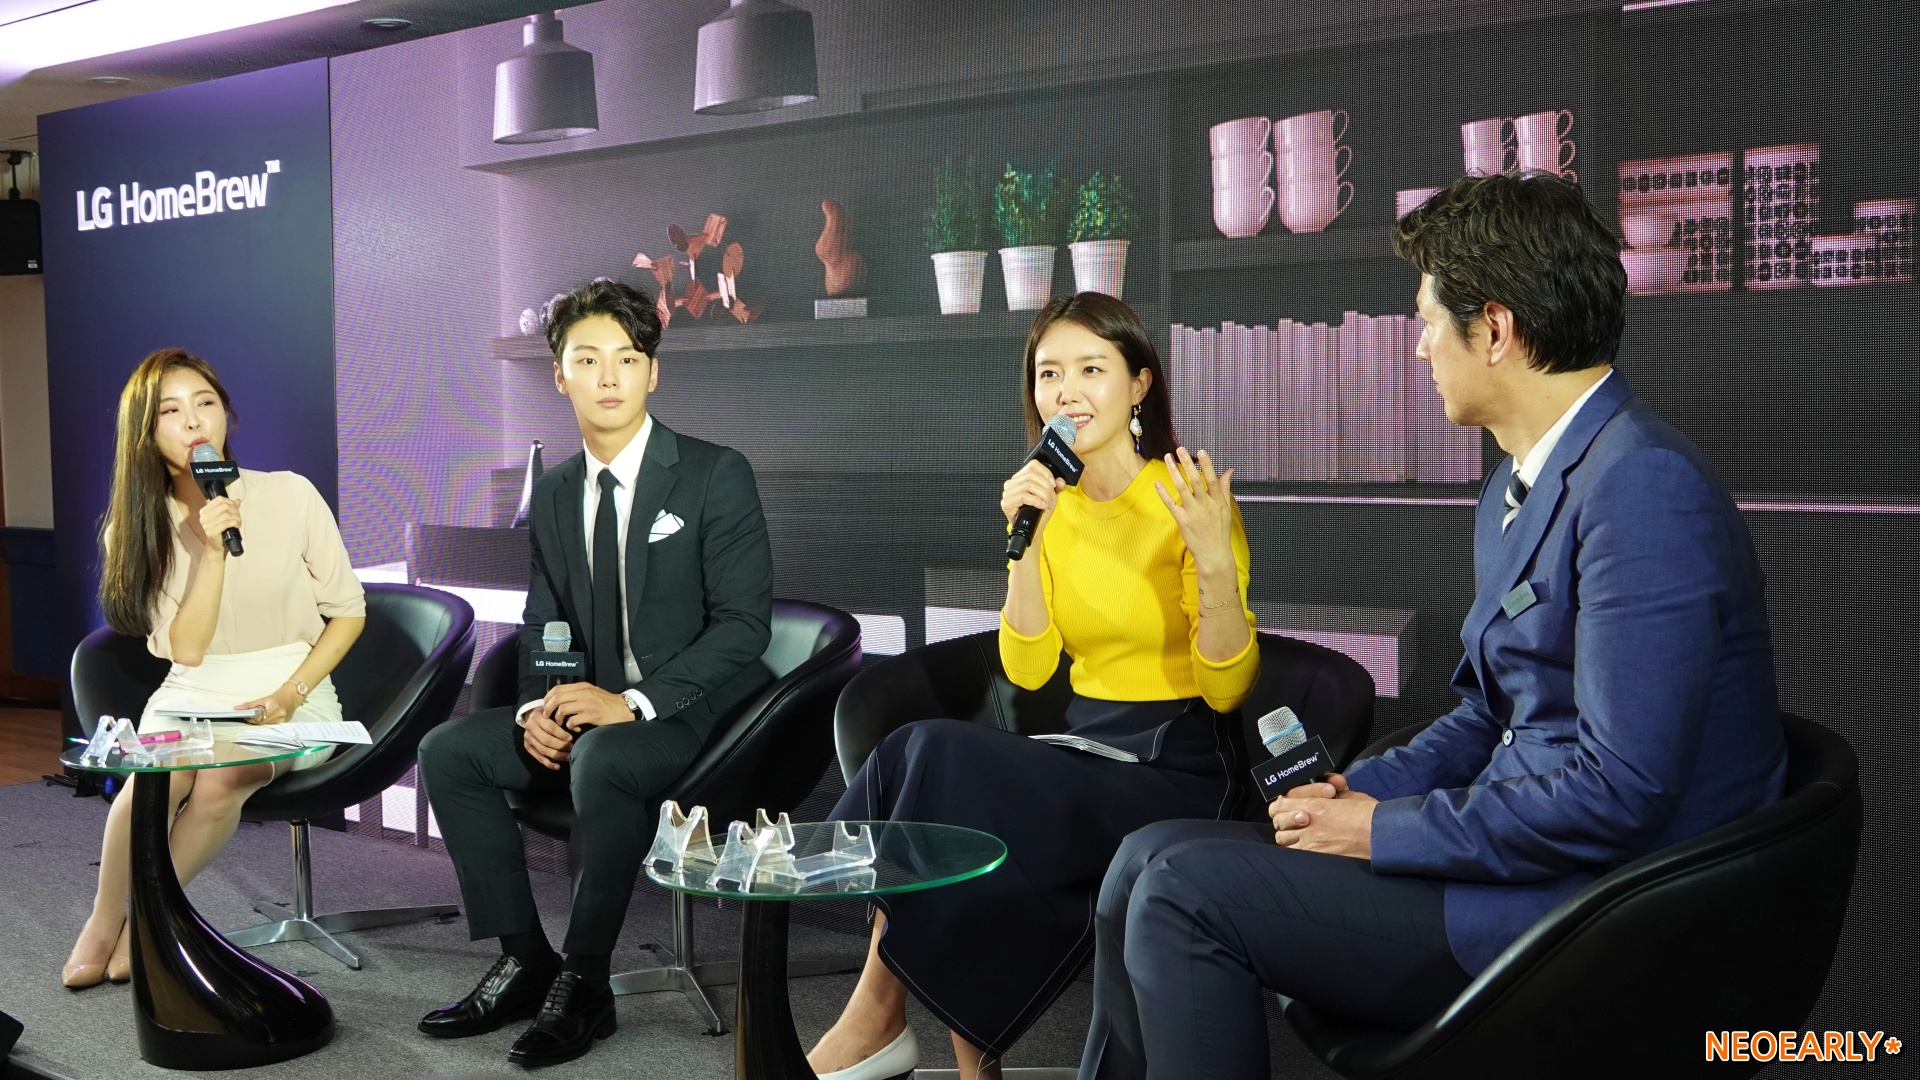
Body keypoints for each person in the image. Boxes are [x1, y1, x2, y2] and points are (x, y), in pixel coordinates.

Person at [1077, 172, 1789, 1080]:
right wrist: (1351, 792)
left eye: (1426, 321)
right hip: (1515, 860)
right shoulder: (1521, 482)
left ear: (1494, 330)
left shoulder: (1642, 488)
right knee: (1142, 858)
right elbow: (1492, 714)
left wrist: (1382, 830)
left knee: (1180, 890)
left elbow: (1621, 792)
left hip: (1592, 913)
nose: (1418, 349)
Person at [807, 292, 1261, 1080]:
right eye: (1049, 373)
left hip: (1174, 764)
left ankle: (878, 1019)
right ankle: (933, 1047)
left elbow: (1225, 691)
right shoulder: (1049, 504)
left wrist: (1215, 560)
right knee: (941, 779)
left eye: (1091, 369)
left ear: (1139, 385)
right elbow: (1028, 668)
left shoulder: (1187, 499)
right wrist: (1026, 543)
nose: (1067, 391)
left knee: (940, 759)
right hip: (1086, 746)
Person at [414, 279, 774, 1067]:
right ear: (559, 375)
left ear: (653, 372)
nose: (608, 377)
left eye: (627, 358)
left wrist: (632, 702)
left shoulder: (714, 473)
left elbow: (745, 627)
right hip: (596, 709)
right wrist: (538, 710)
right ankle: (524, 959)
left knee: (604, 755)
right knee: (449, 750)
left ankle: (585, 981)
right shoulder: (552, 492)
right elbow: (545, 623)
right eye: (587, 359)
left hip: (699, 714)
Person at [63, 348, 367, 989]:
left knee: (221, 781)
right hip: (192, 687)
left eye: (205, 403)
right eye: (170, 411)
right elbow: (189, 650)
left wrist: (291, 693)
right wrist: (211, 552)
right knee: (153, 783)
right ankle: (102, 920)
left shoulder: (290, 493)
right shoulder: (135, 528)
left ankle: (150, 921)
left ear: (226, 414)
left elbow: (348, 612)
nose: (194, 421)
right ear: (145, 434)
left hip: (291, 688)